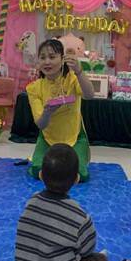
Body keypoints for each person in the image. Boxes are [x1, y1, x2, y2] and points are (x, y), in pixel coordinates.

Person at [15, 143, 108, 261]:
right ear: (77, 179)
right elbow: (88, 250)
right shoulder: (79, 215)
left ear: (41, 176)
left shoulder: (31, 202)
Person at [26, 38, 94, 181]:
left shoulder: (72, 79)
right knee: (36, 169)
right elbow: (41, 124)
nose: (47, 62)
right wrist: (47, 112)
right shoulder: (34, 88)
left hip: (74, 136)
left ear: (62, 59)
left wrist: (79, 71)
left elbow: (89, 95)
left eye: (52, 57)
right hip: (47, 137)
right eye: (42, 58)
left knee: (82, 173)